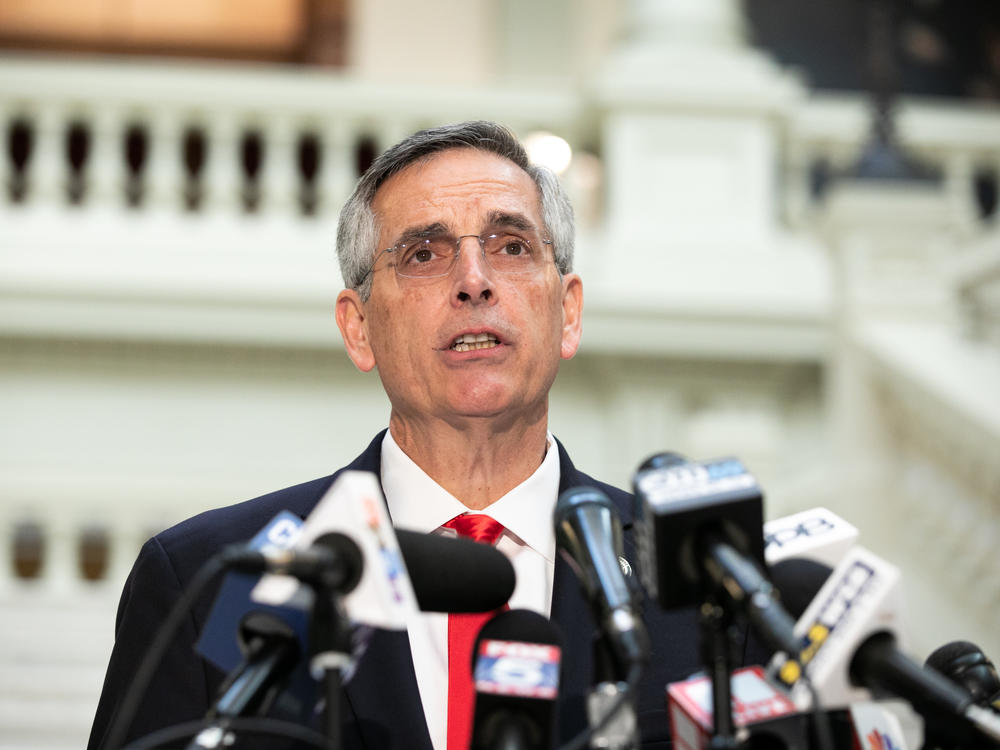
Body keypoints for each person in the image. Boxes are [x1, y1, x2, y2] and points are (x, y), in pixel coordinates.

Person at [88, 121, 760, 750]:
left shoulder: (708, 585)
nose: (474, 282)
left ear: (569, 312)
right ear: (359, 328)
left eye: (512, 246)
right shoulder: (211, 585)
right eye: (424, 254)